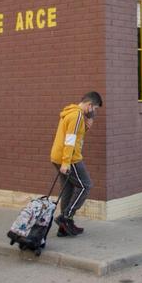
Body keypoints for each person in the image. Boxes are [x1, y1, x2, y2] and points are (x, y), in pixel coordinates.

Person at [49, 92, 102, 238]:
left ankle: (64, 228)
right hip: (70, 159)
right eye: (95, 108)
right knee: (86, 185)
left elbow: (77, 134)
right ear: (89, 105)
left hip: (57, 156)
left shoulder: (72, 113)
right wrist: (66, 163)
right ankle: (65, 218)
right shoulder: (77, 116)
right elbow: (70, 140)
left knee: (68, 188)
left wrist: (89, 123)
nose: (94, 111)